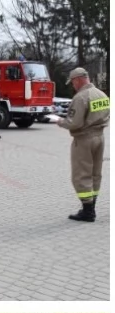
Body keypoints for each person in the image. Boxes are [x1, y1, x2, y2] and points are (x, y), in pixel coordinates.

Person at [56, 67, 110, 223]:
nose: (73, 86)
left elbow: (74, 123)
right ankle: (92, 206)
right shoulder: (102, 94)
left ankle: (87, 211)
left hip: (84, 139)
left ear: (78, 79)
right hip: (100, 137)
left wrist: (60, 122)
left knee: (81, 175)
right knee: (95, 173)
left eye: (73, 82)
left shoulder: (80, 98)